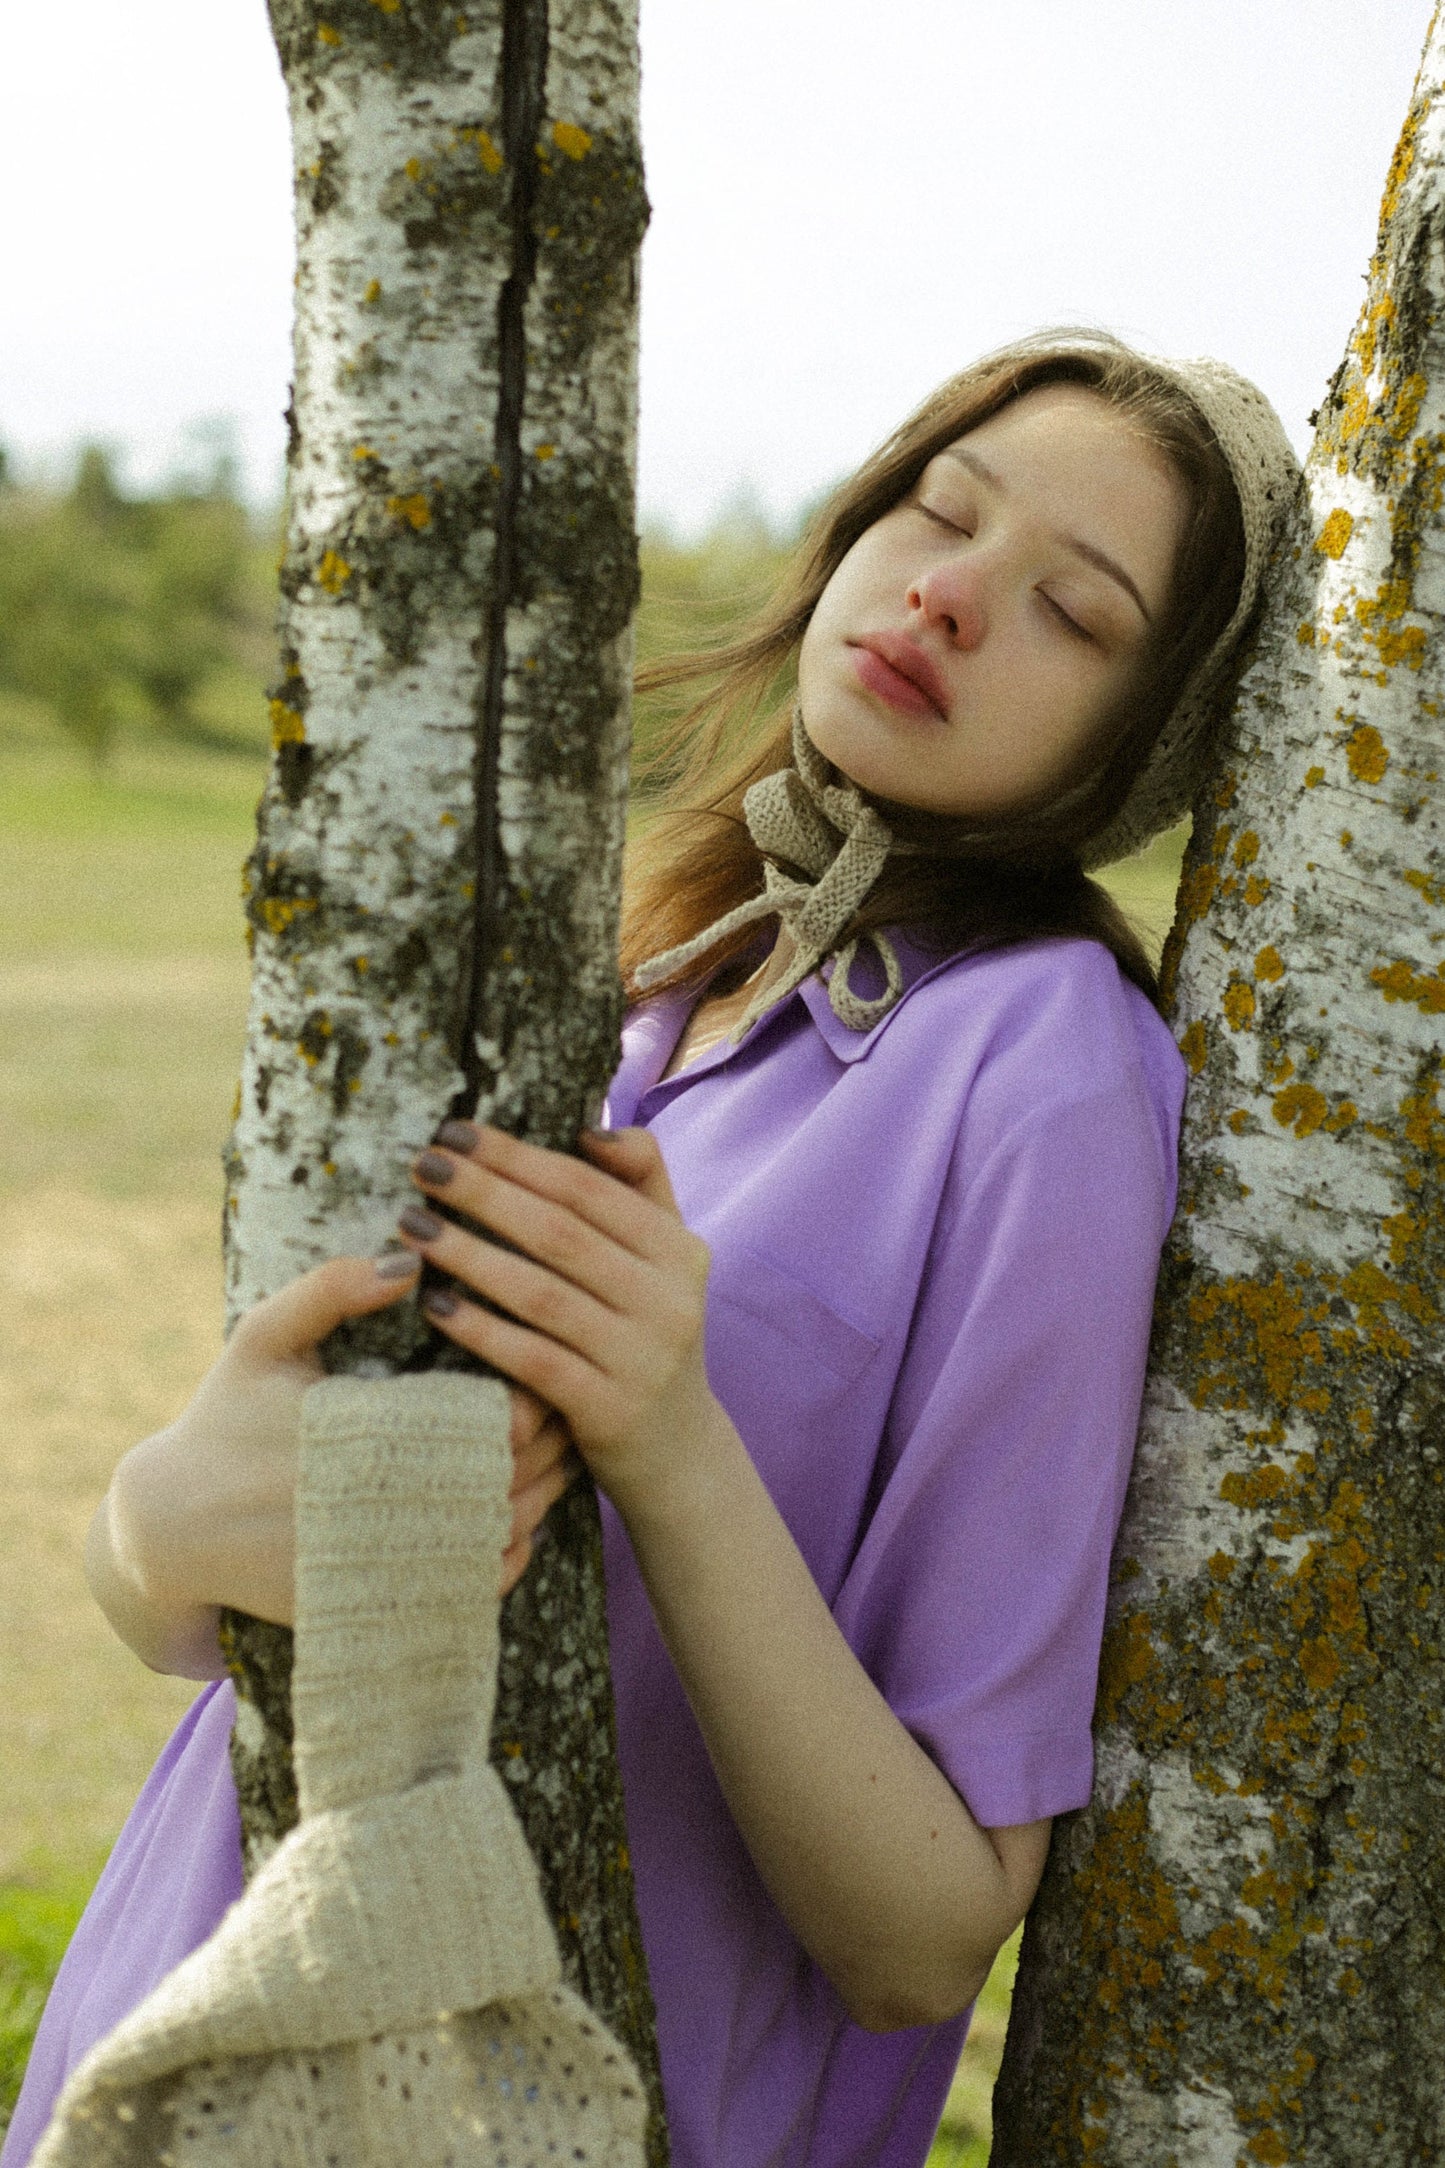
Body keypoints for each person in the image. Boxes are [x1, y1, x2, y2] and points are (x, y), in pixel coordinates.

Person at [3, 330, 1300, 2168]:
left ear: (1137, 742)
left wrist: (668, 1440)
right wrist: (152, 1526)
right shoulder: (635, 973)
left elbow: (922, 1935)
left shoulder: (1050, 1070)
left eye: (1070, 615)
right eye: (940, 510)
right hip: (184, 2028)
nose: (946, 598)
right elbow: (201, 1604)